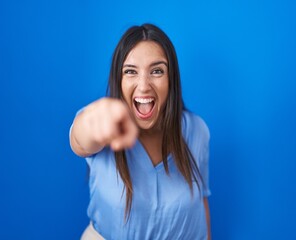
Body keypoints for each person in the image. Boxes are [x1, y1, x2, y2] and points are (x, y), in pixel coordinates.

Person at [70, 23, 211, 240]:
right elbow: (80, 140)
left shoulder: (197, 130)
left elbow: (201, 203)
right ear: (119, 79)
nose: (144, 85)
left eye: (156, 71)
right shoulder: (104, 124)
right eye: (130, 71)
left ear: (170, 79)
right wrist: (93, 122)